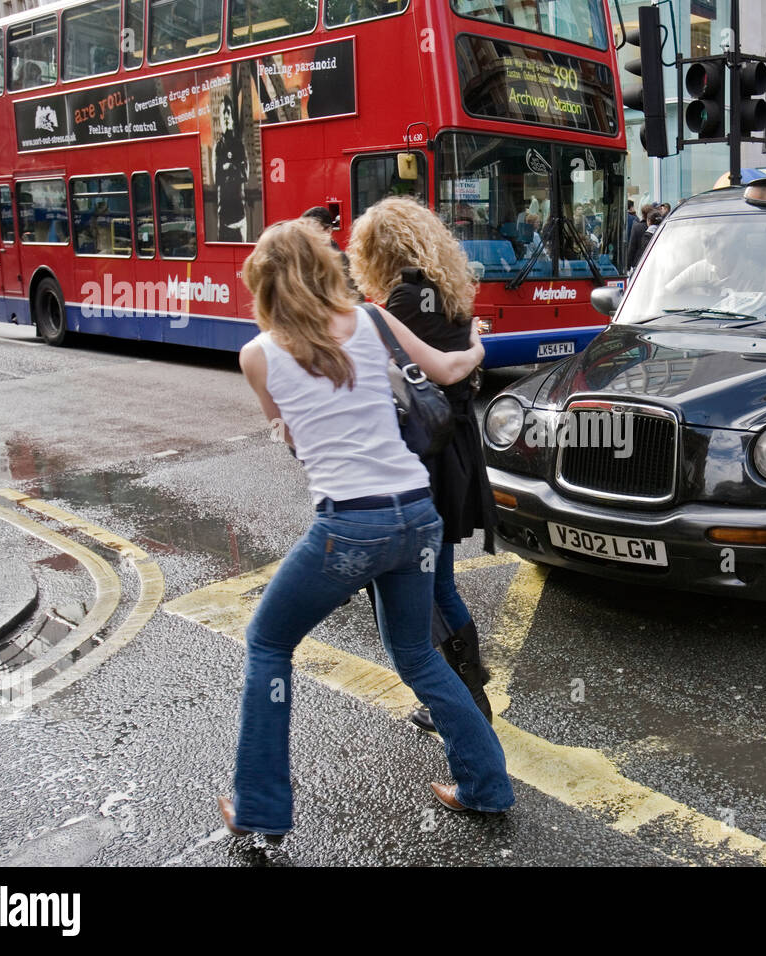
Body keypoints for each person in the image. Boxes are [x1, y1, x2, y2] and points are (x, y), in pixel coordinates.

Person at [219, 219, 513, 840]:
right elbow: (451, 368)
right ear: (328, 268)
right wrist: (481, 345)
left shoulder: (258, 355)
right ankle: (486, 784)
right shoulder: (374, 322)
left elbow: (295, 442)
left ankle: (261, 805)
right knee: (415, 653)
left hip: (349, 525)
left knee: (269, 644)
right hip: (417, 513)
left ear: (261, 283)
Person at [348, 196, 498, 732]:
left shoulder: (405, 301)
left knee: (431, 587)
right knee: (441, 582)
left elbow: (415, 373)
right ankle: (466, 692)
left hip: (426, 457)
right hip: (452, 448)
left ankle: (462, 700)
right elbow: (459, 361)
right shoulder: (448, 293)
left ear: (377, 251)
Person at [215, 96, 248, 241]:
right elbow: (216, 178)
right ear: (220, 119)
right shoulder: (217, 147)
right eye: (223, 113)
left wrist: (230, 166)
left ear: (233, 118)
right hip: (223, 220)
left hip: (240, 219)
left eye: (229, 112)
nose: (226, 116)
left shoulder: (239, 145)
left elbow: (245, 174)